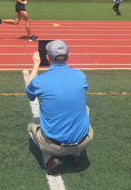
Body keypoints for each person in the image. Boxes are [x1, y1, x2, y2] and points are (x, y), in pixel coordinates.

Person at [25, 40, 93, 175]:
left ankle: (50, 159)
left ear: (47, 57)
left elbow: (29, 90)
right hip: (84, 140)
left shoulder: (40, 81)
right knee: (85, 108)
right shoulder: (80, 76)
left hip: (55, 146)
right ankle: (77, 154)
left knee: (32, 125)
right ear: (67, 56)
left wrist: (36, 65)